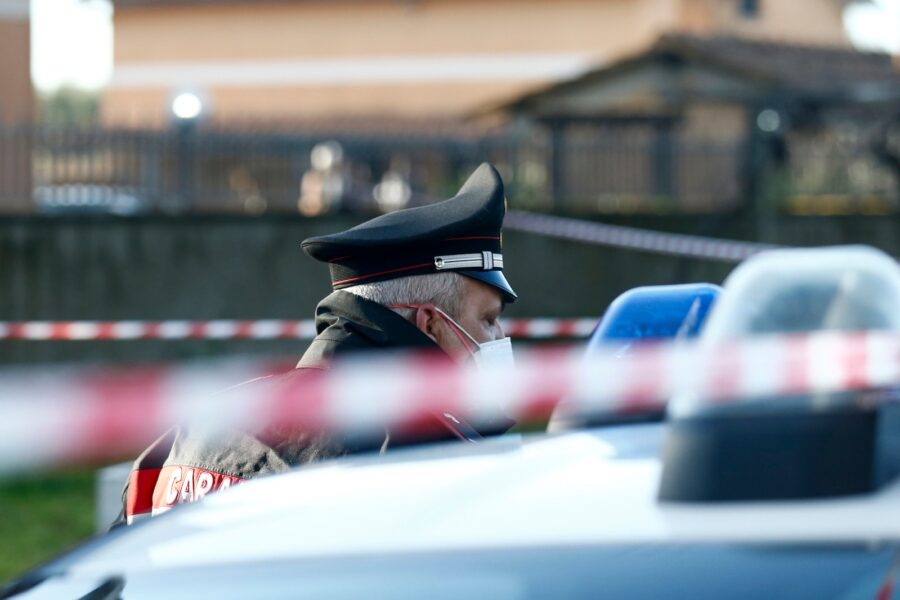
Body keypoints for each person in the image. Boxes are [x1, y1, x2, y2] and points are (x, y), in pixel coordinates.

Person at [115, 163, 518, 525]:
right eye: (488, 319)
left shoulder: (191, 430)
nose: (499, 337)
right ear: (430, 323)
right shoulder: (430, 454)